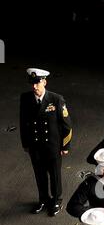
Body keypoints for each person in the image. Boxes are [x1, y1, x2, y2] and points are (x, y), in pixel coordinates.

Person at [20, 68, 72, 216]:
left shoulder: (56, 99)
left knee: (54, 175)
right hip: (35, 146)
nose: (34, 87)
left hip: (52, 146)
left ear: (44, 81)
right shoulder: (25, 98)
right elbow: (23, 123)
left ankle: (56, 200)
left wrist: (65, 145)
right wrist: (26, 144)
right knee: (39, 174)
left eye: (37, 83)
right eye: (32, 83)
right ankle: (43, 199)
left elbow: (66, 124)